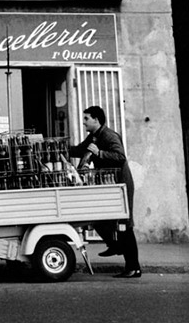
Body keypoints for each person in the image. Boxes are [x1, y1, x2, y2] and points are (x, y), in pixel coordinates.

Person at [69, 106, 141, 278]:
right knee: (100, 218)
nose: (84, 121)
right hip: (110, 184)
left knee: (125, 225)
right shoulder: (94, 136)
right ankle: (115, 245)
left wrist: (99, 153)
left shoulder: (109, 136)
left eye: (86, 118)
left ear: (96, 120)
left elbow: (120, 157)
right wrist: (58, 148)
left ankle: (133, 267)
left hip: (121, 184)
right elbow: (80, 150)